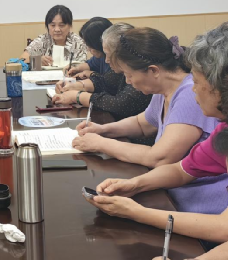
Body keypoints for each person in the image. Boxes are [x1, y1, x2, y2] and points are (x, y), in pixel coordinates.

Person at [86, 23, 228, 245]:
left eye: (198, 82)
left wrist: (137, 213)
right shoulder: (222, 132)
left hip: (204, 224)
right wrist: (135, 184)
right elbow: (182, 169)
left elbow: (223, 229)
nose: (193, 89)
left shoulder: (187, 97)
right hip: (183, 210)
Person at [70, 27, 220, 174]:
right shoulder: (163, 90)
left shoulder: (189, 94)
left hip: (190, 189)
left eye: (129, 75)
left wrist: (101, 144)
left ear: (153, 70)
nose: (128, 81)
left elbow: (160, 158)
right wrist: (103, 130)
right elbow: (142, 124)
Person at [53, 23, 152, 119]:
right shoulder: (121, 71)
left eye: (108, 55)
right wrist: (74, 85)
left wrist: (77, 96)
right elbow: (104, 82)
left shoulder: (142, 73)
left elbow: (120, 105)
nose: (106, 60)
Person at [21, 5, 87, 66]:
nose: (57, 29)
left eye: (61, 25)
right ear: (47, 26)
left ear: (70, 26)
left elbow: (82, 65)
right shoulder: (42, 40)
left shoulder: (78, 42)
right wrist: (38, 60)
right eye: (52, 25)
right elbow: (22, 60)